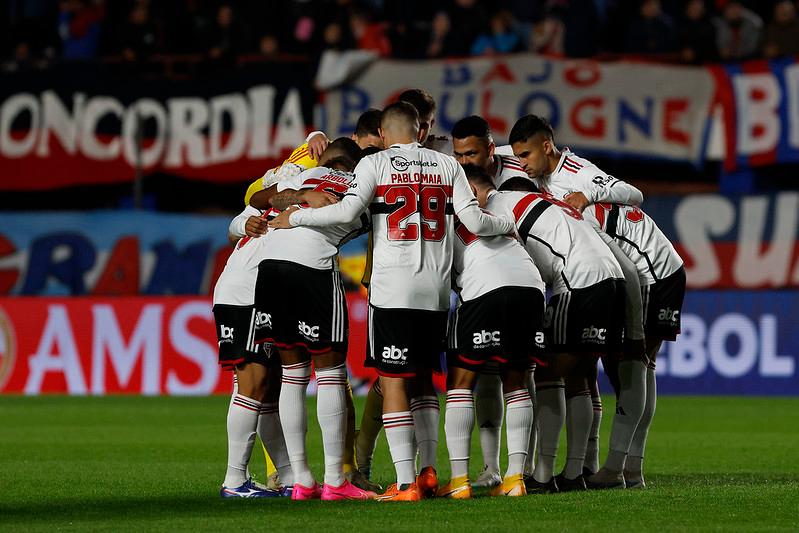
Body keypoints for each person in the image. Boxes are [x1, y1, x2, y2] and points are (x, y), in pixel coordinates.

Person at [268, 102, 515, 501]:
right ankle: (429, 469)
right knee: (422, 380)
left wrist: (293, 218)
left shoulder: (375, 164)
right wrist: (508, 223)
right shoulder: (447, 165)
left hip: (393, 288)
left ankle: (404, 484)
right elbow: (473, 221)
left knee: (394, 380)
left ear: (383, 135)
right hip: (435, 292)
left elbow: (346, 210)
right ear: (420, 132)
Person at [507, 114, 651, 489]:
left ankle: (613, 467)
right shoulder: (534, 178)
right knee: (584, 375)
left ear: (546, 146)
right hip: (608, 275)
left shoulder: (578, 171)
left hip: (620, 271)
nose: (520, 163)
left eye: (525, 155)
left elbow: (634, 194)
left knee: (576, 371)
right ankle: (583, 467)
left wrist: (588, 195)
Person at [470, 160, 625, 494]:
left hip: (579, 282)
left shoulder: (498, 205)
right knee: (581, 376)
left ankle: (541, 475)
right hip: (613, 280)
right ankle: (574, 472)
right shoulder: (552, 204)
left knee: (548, 375)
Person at [243, 138, 376, 501]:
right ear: (355, 164)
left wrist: (298, 198)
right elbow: (352, 216)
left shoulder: (304, 175)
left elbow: (256, 199)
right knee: (331, 374)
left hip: (269, 268)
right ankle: (336, 481)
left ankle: (301, 480)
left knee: (292, 374)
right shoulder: (363, 182)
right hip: (313, 268)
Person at [437, 163, 546, 499]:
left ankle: (459, 481)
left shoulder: (446, 219)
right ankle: (514, 479)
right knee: (515, 379)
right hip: (531, 289)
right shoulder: (500, 216)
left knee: (461, 382)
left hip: (485, 290)